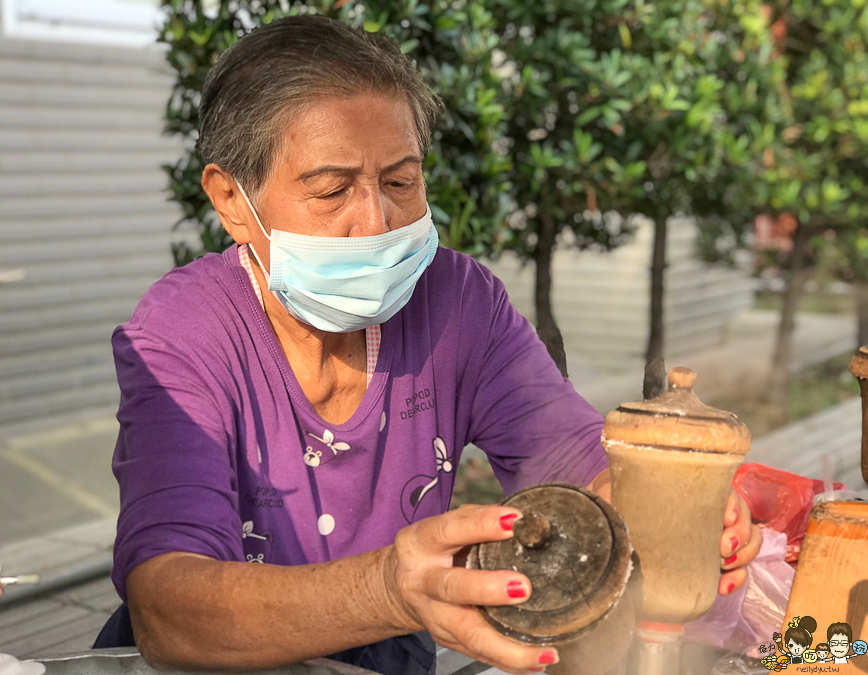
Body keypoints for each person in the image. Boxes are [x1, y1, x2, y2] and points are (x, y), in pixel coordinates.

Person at [94, 15, 761, 675]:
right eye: (331, 190)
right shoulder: (183, 332)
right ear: (232, 202)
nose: (376, 222)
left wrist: (658, 504)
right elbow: (168, 606)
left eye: (400, 181)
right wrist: (386, 587)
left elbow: (571, 456)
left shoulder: (459, 303)